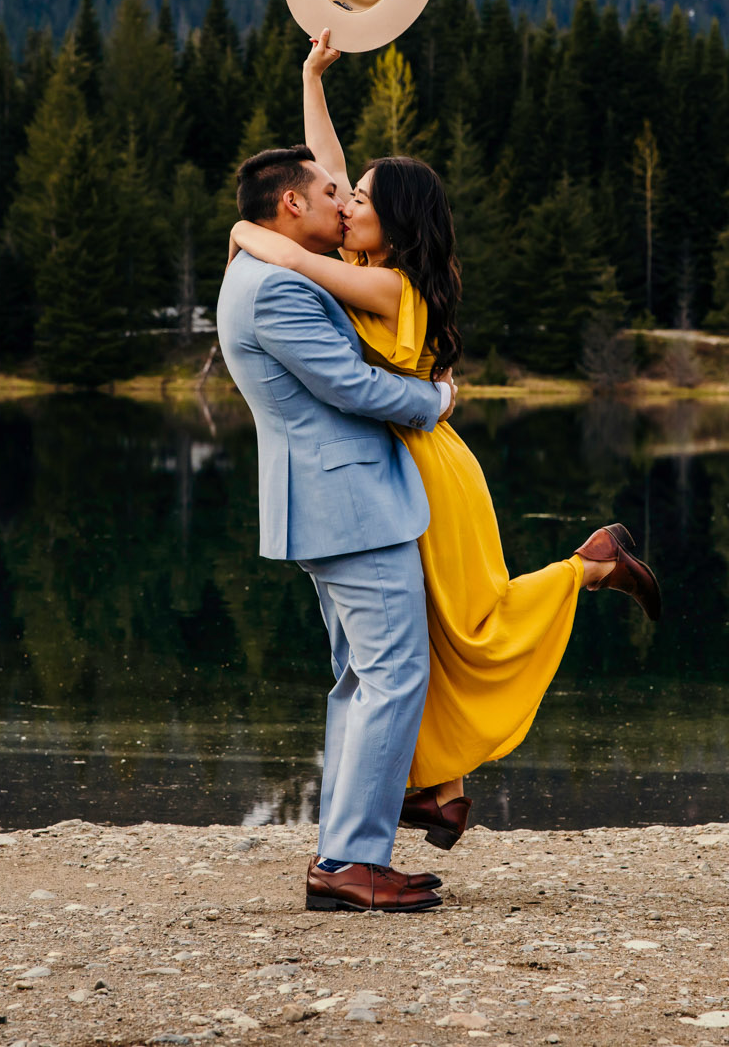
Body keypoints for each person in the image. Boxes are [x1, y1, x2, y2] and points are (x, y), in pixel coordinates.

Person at [227, 29, 661, 852]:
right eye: (340, 194)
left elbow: (305, 254)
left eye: (357, 199)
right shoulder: (379, 262)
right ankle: (439, 789)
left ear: (388, 225)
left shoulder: (384, 282)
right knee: (414, 637)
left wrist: (254, 235)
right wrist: (312, 80)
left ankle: (591, 567)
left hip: (427, 471)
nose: (342, 202)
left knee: (468, 623)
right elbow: (323, 170)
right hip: (405, 462)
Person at [216, 141, 457, 913]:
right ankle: (351, 860)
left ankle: (350, 850)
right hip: (350, 505)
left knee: (362, 679)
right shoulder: (276, 289)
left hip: (331, 505)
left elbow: (323, 163)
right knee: (393, 675)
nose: (343, 202)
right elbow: (350, 386)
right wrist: (437, 402)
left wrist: (314, 77)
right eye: (330, 192)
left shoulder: (263, 269)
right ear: (291, 205)